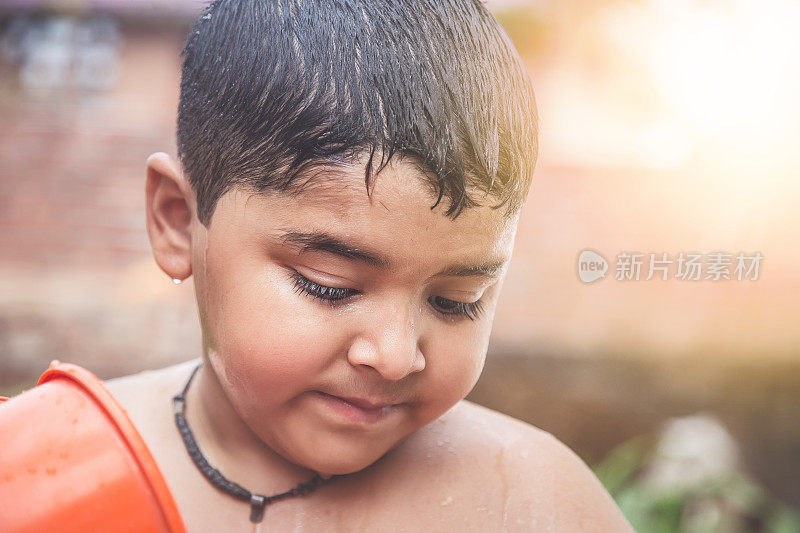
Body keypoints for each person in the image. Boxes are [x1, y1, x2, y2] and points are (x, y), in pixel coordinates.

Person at [105, 0, 634, 530]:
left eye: (456, 301)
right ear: (178, 221)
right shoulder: (57, 463)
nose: (396, 356)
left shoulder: (530, 503)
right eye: (329, 286)